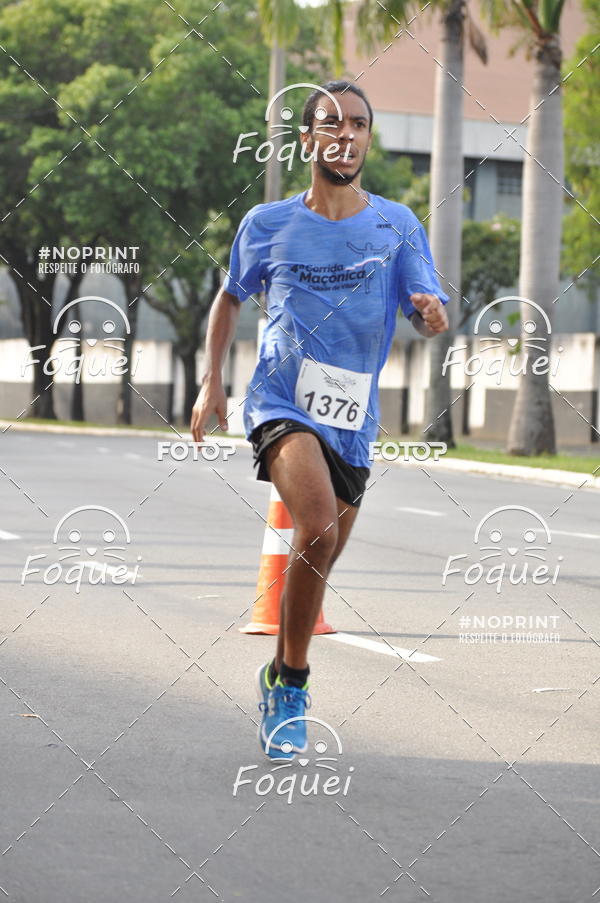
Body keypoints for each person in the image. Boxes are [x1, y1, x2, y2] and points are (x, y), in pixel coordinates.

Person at [191, 80, 449, 759]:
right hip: (281, 401)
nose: (346, 135)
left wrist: (428, 315)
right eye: (331, 123)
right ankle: (295, 685)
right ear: (307, 138)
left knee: (322, 548)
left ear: (368, 138)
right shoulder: (268, 222)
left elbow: (424, 308)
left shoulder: (396, 225)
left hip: (354, 418)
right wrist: (211, 382)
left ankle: (279, 665)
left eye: (359, 124)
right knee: (315, 523)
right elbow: (230, 299)